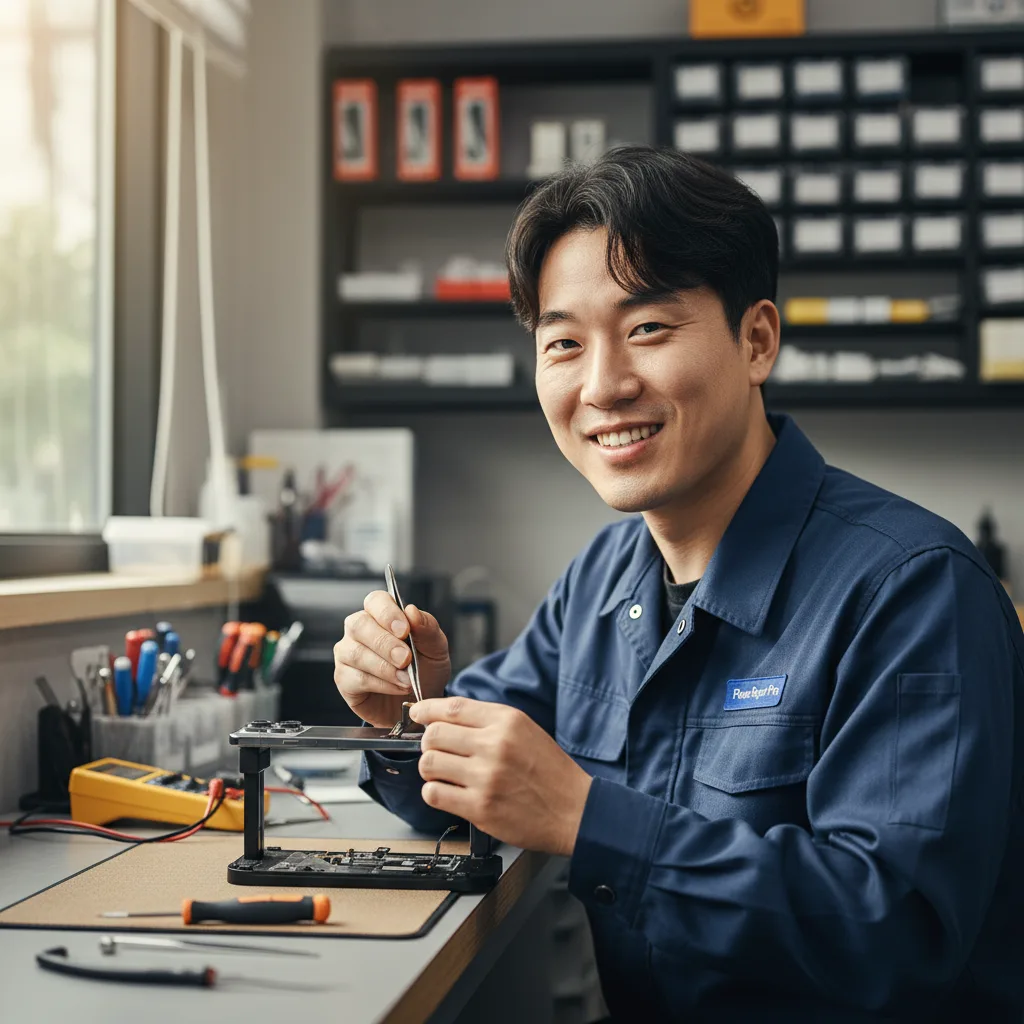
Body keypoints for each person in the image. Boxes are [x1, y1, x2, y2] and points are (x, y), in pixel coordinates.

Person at [333, 147, 1024, 1022]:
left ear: (757, 339)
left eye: (648, 329)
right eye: (563, 344)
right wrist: (403, 708)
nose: (604, 384)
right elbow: (469, 778)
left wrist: (588, 822)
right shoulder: (602, 581)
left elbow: (893, 934)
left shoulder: (915, 590)